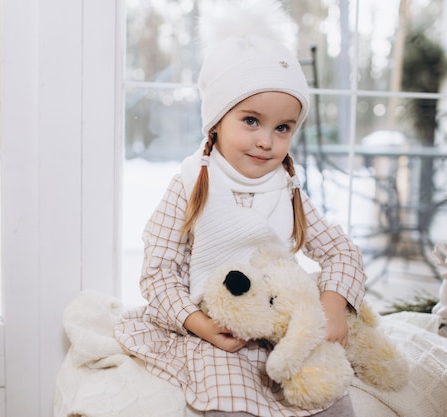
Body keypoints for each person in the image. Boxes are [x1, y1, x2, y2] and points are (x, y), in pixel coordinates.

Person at [115, 1, 366, 416]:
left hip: (281, 327)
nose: (267, 140)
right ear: (216, 120)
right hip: (217, 332)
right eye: (251, 120)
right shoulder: (191, 184)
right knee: (231, 402)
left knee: (331, 399)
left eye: (282, 127)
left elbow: (342, 252)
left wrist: (332, 308)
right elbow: (158, 271)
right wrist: (201, 325)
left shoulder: (288, 187)